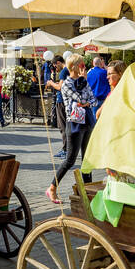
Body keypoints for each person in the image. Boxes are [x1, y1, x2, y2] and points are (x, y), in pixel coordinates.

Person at [46, 54, 98, 205]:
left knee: (87, 160)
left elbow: (93, 100)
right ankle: (52, 188)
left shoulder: (83, 81)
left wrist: (85, 99)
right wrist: (85, 99)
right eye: (81, 64)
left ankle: (88, 192)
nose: (84, 66)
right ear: (74, 67)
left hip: (87, 121)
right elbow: (81, 99)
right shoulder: (66, 84)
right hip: (74, 123)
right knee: (70, 160)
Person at [45, 55, 68, 158]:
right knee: (65, 126)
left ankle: (65, 150)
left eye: (55, 66)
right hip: (65, 100)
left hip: (61, 100)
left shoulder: (63, 71)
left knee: (62, 126)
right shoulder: (68, 69)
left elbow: (60, 87)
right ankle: (67, 149)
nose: (55, 69)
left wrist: (51, 83)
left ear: (58, 63)